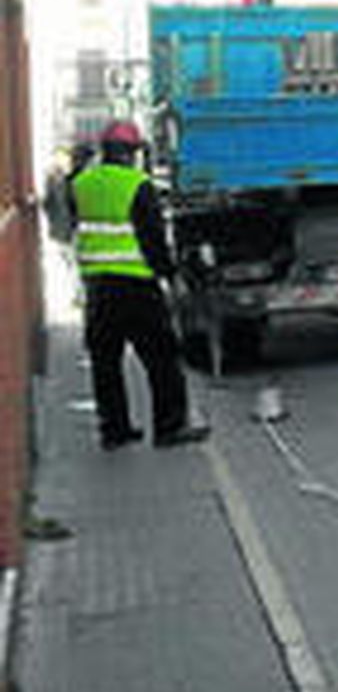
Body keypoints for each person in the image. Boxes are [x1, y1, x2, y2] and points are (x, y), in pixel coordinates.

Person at [71, 121, 209, 451]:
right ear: (131, 154)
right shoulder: (138, 185)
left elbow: (75, 224)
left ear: (105, 150)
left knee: (106, 361)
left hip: (97, 287)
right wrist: (170, 275)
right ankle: (169, 427)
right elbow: (153, 240)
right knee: (162, 357)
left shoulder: (80, 183)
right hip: (136, 286)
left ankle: (114, 430)